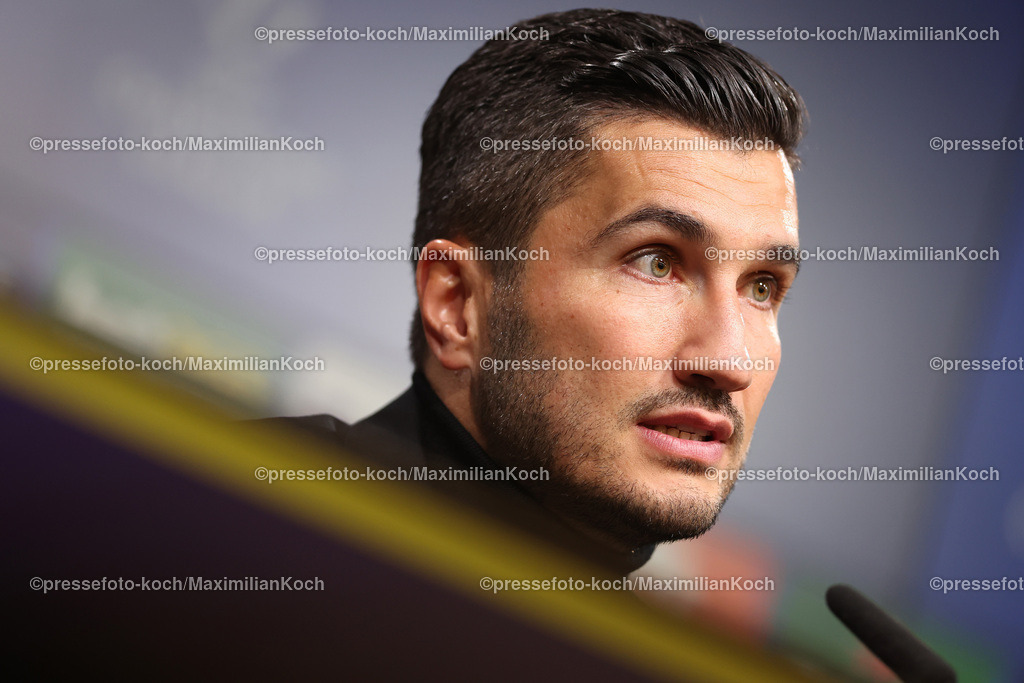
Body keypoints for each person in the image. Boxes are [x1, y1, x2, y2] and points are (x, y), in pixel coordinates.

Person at [274, 8, 805, 574]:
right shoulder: (222, 531)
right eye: (655, 263)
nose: (729, 361)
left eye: (761, 286)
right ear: (457, 306)